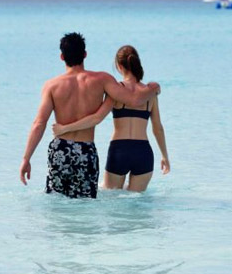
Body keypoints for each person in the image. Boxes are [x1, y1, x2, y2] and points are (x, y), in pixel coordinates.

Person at [19, 33, 160, 199]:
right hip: (86, 151)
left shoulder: (51, 86)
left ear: (62, 57)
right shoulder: (102, 80)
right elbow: (134, 100)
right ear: (85, 54)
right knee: (86, 203)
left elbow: (39, 123)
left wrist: (26, 159)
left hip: (60, 149)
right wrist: (153, 89)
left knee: (56, 201)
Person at [52, 44, 170, 192]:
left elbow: (96, 118)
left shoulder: (116, 90)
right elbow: (158, 128)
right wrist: (165, 156)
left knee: (111, 199)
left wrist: (65, 128)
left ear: (119, 66)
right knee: (137, 207)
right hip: (143, 152)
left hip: (119, 151)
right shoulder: (150, 92)